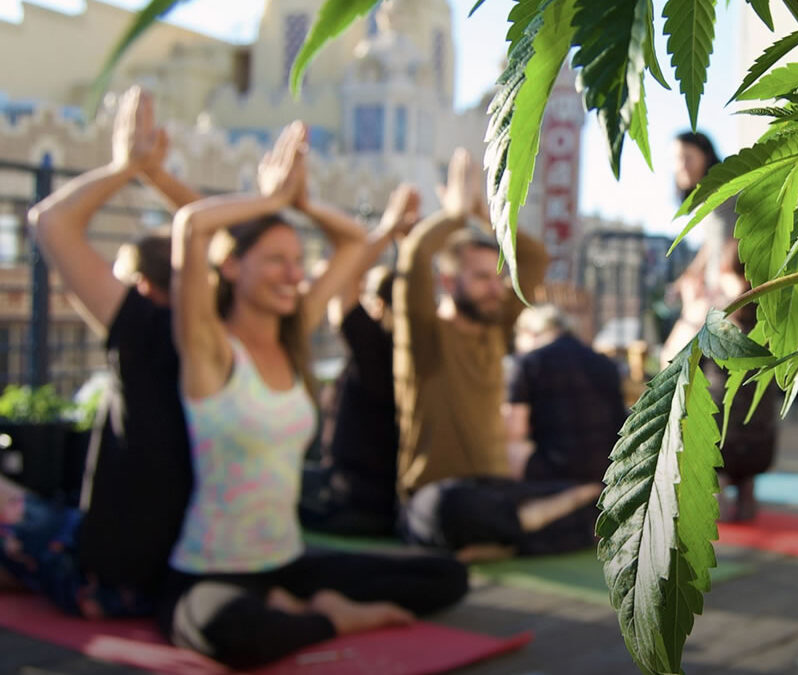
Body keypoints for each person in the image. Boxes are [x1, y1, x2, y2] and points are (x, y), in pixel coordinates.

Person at [161, 121, 466, 670]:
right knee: (226, 630)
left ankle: (299, 606)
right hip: (213, 569)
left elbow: (352, 242)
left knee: (446, 576)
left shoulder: (294, 333)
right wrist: (271, 199)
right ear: (232, 266)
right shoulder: (210, 348)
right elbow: (190, 226)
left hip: (290, 560)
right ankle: (329, 617)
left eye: (298, 261)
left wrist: (303, 203)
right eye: (276, 260)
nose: (294, 274)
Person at [13, 86, 202, 616]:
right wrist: (158, 178)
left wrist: (128, 167)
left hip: (110, 576)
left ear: (141, 286)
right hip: (178, 567)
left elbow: (50, 222)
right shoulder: (224, 332)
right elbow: (225, 233)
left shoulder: (145, 331)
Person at [394, 149, 602, 560]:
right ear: (449, 281)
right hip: (438, 496)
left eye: (498, 277)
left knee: (604, 498)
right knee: (446, 510)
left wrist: (478, 211)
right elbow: (415, 258)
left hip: (498, 490)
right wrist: (453, 215)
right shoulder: (425, 337)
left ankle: (509, 536)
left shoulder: (495, 327)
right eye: (480, 278)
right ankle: (523, 531)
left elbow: (534, 258)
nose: (496, 287)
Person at [662, 131, 778, 522]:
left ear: (705, 156)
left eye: (686, 157)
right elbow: (714, 246)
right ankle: (733, 490)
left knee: (729, 396)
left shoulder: (727, 193)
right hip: (722, 307)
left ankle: (735, 490)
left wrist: (725, 278)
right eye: (676, 159)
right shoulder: (714, 199)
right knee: (724, 394)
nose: (679, 166)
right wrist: (693, 275)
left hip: (734, 310)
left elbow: (731, 243)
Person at [303, 186, 420, 536]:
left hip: (350, 498)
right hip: (390, 501)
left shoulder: (375, 346)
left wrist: (388, 227)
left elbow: (345, 279)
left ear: (380, 306)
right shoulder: (419, 347)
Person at [506, 304, 626, 484]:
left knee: (512, 448)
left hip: (554, 474)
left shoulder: (529, 363)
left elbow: (515, 431)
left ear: (529, 333)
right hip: (607, 470)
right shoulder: (604, 362)